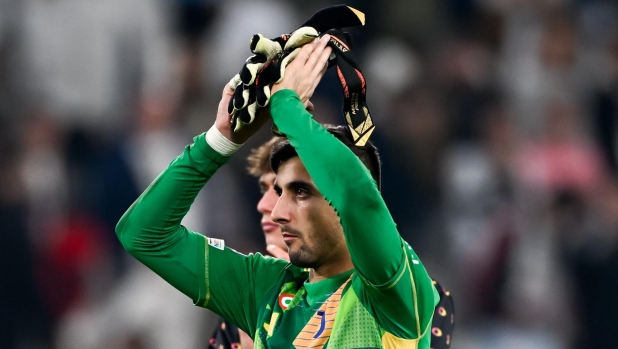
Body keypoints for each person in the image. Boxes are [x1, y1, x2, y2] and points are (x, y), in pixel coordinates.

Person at [117, 35, 440, 348]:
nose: (278, 212)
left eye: (301, 192)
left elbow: (356, 193)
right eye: (279, 191)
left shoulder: (393, 290)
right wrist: (219, 141)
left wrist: (287, 105)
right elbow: (144, 235)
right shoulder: (267, 290)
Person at [208, 138, 455, 349]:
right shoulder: (241, 306)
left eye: (299, 191)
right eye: (269, 189)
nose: (270, 206)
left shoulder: (415, 296)